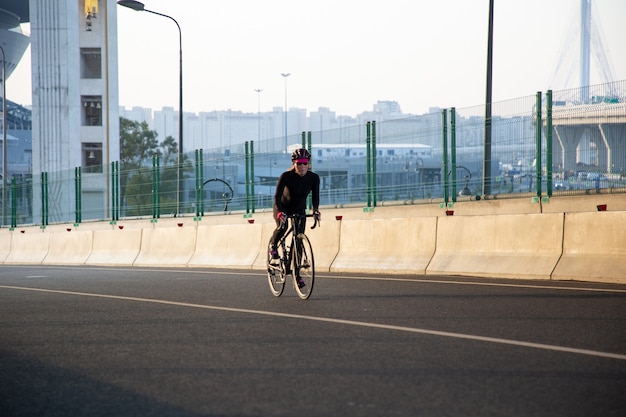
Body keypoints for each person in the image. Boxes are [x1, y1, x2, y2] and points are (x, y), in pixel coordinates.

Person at [269, 148, 321, 286]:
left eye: (305, 163)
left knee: (298, 240)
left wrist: (316, 210)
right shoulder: (285, 176)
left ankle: (296, 276)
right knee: (284, 226)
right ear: (294, 164)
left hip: (299, 209)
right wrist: (279, 212)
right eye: (299, 163)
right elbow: (277, 196)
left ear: (308, 164)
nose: (302, 167)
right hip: (283, 207)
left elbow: (315, 197)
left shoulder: (314, 178)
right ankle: (273, 245)